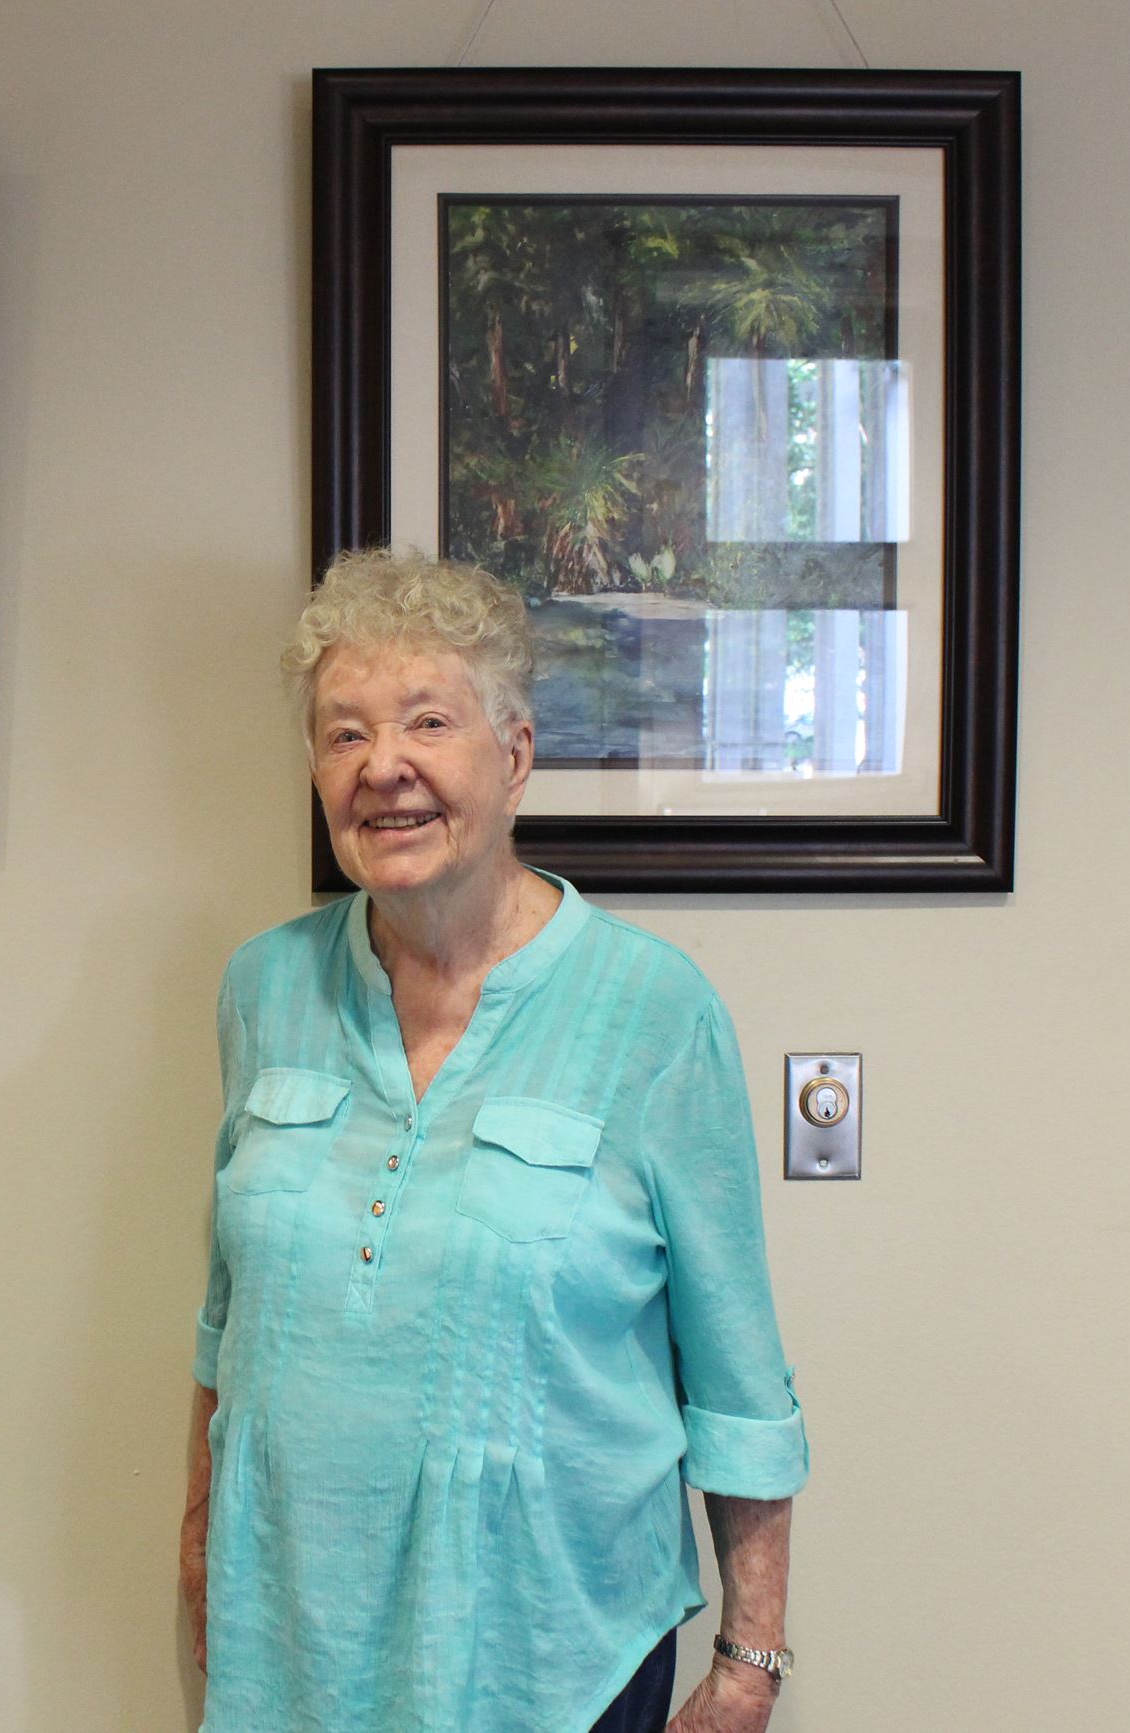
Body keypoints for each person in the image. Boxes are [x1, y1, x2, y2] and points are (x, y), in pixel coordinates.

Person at [180, 551, 808, 1733]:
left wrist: (747, 1654)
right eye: (343, 733)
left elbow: (736, 1369)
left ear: (513, 756)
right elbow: (228, 1311)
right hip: (290, 1652)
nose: (383, 768)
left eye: (427, 721)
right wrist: (199, 1532)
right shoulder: (261, 988)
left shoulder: (651, 1010)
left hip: (555, 1658)